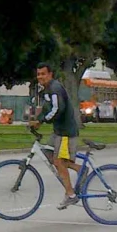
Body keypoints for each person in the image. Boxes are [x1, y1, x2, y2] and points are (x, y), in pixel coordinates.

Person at [30, 64, 79, 208]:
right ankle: (78, 168)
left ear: (50, 74)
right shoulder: (46, 90)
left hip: (66, 131)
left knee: (58, 162)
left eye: (43, 74)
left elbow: (58, 109)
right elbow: (47, 108)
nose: (40, 77)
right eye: (38, 74)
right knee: (48, 154)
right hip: (58, 131)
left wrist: (42, 121)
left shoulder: (55, 88)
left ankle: (71, 194)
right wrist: (38, 120)